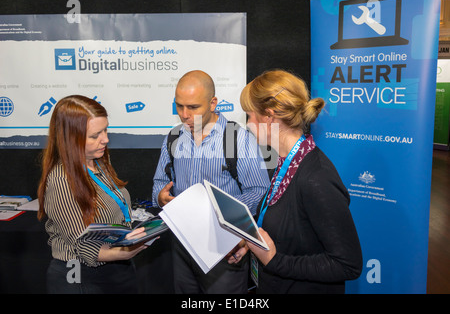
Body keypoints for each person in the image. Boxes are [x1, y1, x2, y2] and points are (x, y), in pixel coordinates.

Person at [237, 69, 363, 293]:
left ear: (269, 116)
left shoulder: (316, 178)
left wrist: (275, 260)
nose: (246, 124)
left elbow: (347, 265)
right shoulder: (288, 162)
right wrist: (251, 243)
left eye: (249, 115)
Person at [152, 70, 270, 294]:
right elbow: (159, 183)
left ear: (213, 103)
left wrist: (221, 215)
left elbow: (259, 191)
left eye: (193, 107)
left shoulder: (238, 139)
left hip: (223, 247)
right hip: (182, 246)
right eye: (179, 106)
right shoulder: (174, 137)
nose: (184, 115)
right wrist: (160, 196)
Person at [37, 95, 147, 294]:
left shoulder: (99, 161)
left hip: (115, 270)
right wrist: (124, 252)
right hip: (80, 276)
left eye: (105, 130)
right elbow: (84, 246)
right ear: (71, 138)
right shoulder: (62, 180)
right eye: (95, 135)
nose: (105, 139)